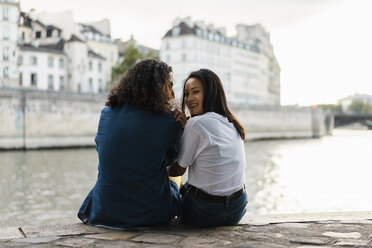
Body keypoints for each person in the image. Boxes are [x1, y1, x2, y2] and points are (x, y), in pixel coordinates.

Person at [78, 59, 182, 229]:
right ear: (156, 88)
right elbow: (173, 160)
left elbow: (102, 149)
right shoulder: (169, 121)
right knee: (176, 178)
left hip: (104, 212)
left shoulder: (106, 113)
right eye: (169, 86)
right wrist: (181, 128)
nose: (172, 95)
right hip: (151, 215)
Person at [169, 68, 248, 227]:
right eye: (186, 94)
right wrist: (187, 129)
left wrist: (154, 172)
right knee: (186, 185)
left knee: (173, 184)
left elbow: (179, 170)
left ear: (211, 93)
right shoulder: (231, 123)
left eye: (195, 92)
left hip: (205, 212)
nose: (189, 98)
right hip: (237, 209)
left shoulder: (196, 123)